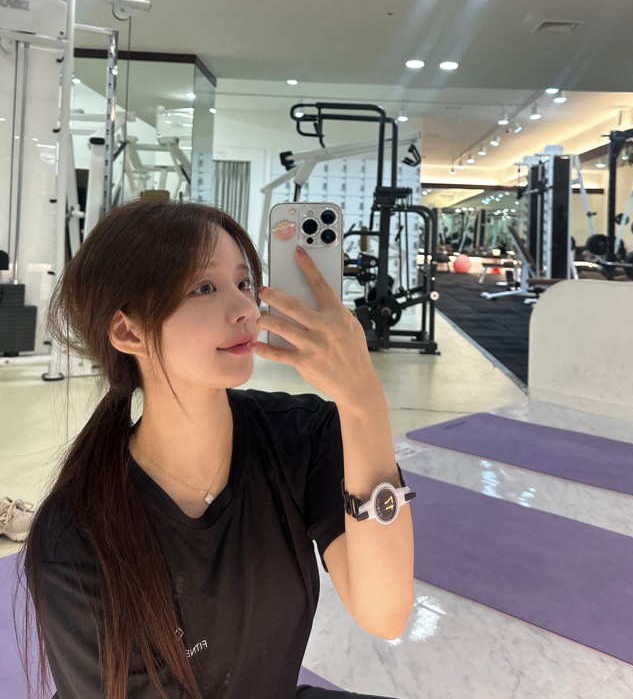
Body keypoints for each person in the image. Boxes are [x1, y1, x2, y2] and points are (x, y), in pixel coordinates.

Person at [20, 198, 414, 699]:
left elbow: (385, 614)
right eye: (204, 288)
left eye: (244, 283)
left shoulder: (303, 435)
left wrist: (364, 404)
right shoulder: (75, 538)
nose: (247, 309)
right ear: (128, 330)